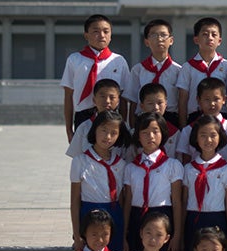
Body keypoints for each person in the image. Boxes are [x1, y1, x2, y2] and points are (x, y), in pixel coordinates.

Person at [61, 14, 130, 142]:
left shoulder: (118, 61)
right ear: (86, 35)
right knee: (84, 155)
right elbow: (68, 96)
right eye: (96, 31)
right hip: (84, 116)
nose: (102, 35)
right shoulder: (74, 59)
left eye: (106, 31)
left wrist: (123, 124)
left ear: (111, 34)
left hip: (112, 116)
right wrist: (69, 130)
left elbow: (124, 97)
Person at [123, 112, 183, 251]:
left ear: (163, 133)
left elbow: (176, 202)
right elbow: (127, 203)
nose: (150, 136)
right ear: (138, 136)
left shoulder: (172, 165)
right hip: (137, 219)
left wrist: (177, 235)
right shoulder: (131, 168)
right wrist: (124, 235)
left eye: (155, 131)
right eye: (145, 132)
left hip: (163, 218)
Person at [69, 109, 129, 251]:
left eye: (113, 133)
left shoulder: (121, 164)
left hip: (114, 217)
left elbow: (122, 200)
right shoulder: (80, 161)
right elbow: (75, 201)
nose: (108, 137)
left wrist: (125, 235)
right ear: (94, 130)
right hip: (89, 215)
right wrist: (77, 234)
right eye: (103, 130)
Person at [179, 115, 227, 251]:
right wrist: (180, 235)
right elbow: (184, 203)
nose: (208, 140)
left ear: (220, 137)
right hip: (193, 221)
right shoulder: (188, 169)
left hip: (218, 220)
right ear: (195, 138)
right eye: (203, 135)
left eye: (213, 135)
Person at [176, 17, 227, 127]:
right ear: (196, 39)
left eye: (214, 35)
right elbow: (183, 100)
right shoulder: (187, 67)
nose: (210, 38)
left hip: (221, 117)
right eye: (205, 34)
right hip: (195, 118)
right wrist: (183, 126)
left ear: (219, 41)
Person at [126, 19, 181, 128]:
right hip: (144, 120)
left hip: (170, 119)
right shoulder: (138, 70)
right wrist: (132, 128)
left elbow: (181, 101)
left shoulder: (179, 70)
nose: (159, 39)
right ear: (146, 42)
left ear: (171, 40)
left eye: (163, 35)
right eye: (154, 35)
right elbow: (133, 102)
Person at [174, 78, 227, 163]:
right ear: (198, 100)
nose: (212, 103)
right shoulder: (188, 130)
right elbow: (185, 160)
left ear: (224, 100)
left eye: (216, 99)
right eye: (207, 99)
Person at [65, 79, 123, 158]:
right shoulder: (84, 127)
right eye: (102, 96)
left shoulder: (123, 127)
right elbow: (76, 157)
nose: (107, 101)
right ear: (94, 100)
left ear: (118, 102)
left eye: (112, 97)